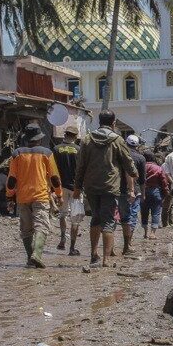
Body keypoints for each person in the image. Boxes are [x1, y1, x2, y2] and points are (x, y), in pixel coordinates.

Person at [74, 110, 138, 267]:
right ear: (113, 123)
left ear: (99, 122)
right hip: (110, 186)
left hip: (91, 186)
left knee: (95, 218)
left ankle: (93, 255)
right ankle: (106, 260)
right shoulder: (117, 140)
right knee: (108, 221)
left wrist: (77, 186)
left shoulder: (87, 139)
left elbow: (81, 165)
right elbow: (128, 162)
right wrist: (134, 173)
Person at [5, 123, 62, 268]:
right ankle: (36, 255)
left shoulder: (16, 154)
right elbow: (55, 177)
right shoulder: (46, 153)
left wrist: (10, 197)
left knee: (26, 229)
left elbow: (11, 179)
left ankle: (30, 259)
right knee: (41, 226)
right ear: (39, 139)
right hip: (41, 196)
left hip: (22, 197)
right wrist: (59, 194)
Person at [52, 126, 82, 255]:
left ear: (65, 135)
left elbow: (52, 169)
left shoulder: (56, 149)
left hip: (60, 187)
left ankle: (63, 238)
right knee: (75, 218)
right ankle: (72, 247)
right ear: (75, 136)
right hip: (76, 188)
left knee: (63, 214)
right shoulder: (79, 150)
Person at [122, 135, 146, 255]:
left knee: (118, 218)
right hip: (135, 191)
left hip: (120, 190)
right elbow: (142, 179)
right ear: (137, 146)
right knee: (131, 217)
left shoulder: (120, 155)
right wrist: (143, 194)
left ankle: (112, 248)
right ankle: (128, 244)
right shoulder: (140, 158)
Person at [142, 152, 167, 238]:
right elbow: (163, 181)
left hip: (143, 191)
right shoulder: (158, 168)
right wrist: (166, 192)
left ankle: (145, 233)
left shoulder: (141, 167)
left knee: (144, 212)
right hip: (155, 191)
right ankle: (152, 233)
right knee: (156, 212)